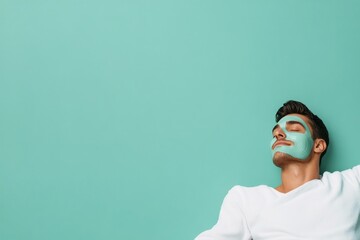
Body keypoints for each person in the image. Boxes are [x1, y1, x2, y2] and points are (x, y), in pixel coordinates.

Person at [195, 100, 360, 240]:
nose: (279, 134)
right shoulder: (246, 200)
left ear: (318, 145)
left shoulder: (351, 183)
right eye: (276, 132)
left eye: (294, 129)